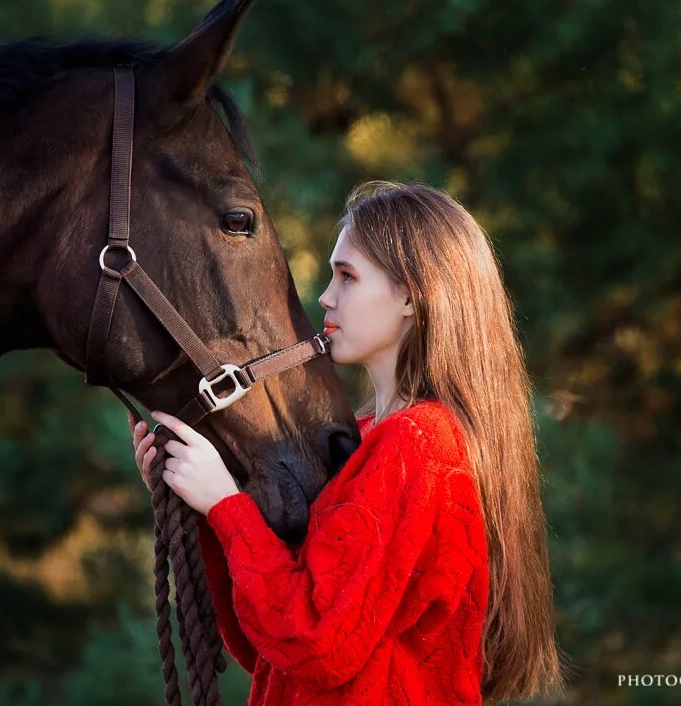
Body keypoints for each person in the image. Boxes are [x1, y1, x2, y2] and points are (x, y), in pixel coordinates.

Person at [133, 180, 564, 704]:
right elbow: (269, 649)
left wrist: (226, 505)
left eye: (347, 276)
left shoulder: (420, 445)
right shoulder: (367, 440)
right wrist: (194, 499)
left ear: (410, 294)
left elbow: (314, 643)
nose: (325, 296)